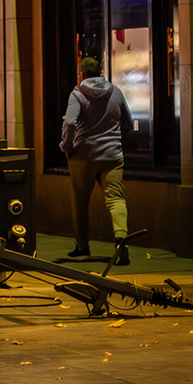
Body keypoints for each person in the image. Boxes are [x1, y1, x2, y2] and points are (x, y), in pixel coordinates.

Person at [60, 54, 133, 265]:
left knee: (80, 202)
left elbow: (70, 123)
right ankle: (120, 240)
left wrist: (66, 146)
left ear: (82, 74)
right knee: (116, 199)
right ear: (100, 73)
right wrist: (116, 141)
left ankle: (82, 247)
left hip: (84, 156)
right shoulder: (115, 92)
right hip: (112, 156)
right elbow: (128, 123)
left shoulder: (77, 94)